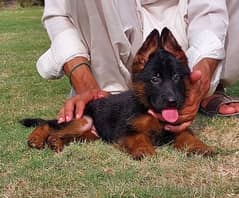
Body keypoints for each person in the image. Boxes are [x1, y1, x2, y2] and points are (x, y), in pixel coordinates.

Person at [36, 0, 239, 133]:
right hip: (117, 36)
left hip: (184, 21)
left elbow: (209, 11)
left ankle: (208, 88)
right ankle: (105, 93)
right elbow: (59, 13)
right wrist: (83, 81)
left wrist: (203, 70)